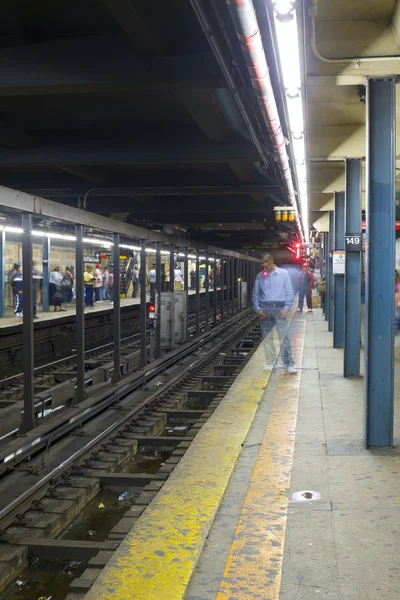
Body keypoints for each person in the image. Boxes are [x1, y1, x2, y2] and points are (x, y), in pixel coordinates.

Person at [252, 253, 297, 374]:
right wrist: (258, 309)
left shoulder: (283, 274)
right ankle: (271, 363)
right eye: (262, 263)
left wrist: (286, 308)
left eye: (265, 262)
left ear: (271, 261)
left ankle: (288, 365)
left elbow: (289, 292)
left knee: (284, 338)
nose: (264, 265)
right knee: (267, 338)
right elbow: (255, 294)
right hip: (265, 309)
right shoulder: (260, 276)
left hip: (279, 308)